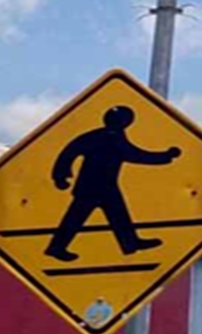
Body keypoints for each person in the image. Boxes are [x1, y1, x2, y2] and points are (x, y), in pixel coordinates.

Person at [44, 105, 181, 262]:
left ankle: (131, 243)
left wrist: (61, 176)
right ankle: (57, 248)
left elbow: (69, 152)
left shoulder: (104, 136)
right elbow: (135, 155)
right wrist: (165, 156)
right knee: (76, 218)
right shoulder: (111, 138)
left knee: (117, 215)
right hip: (93, 187)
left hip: (104, 186)